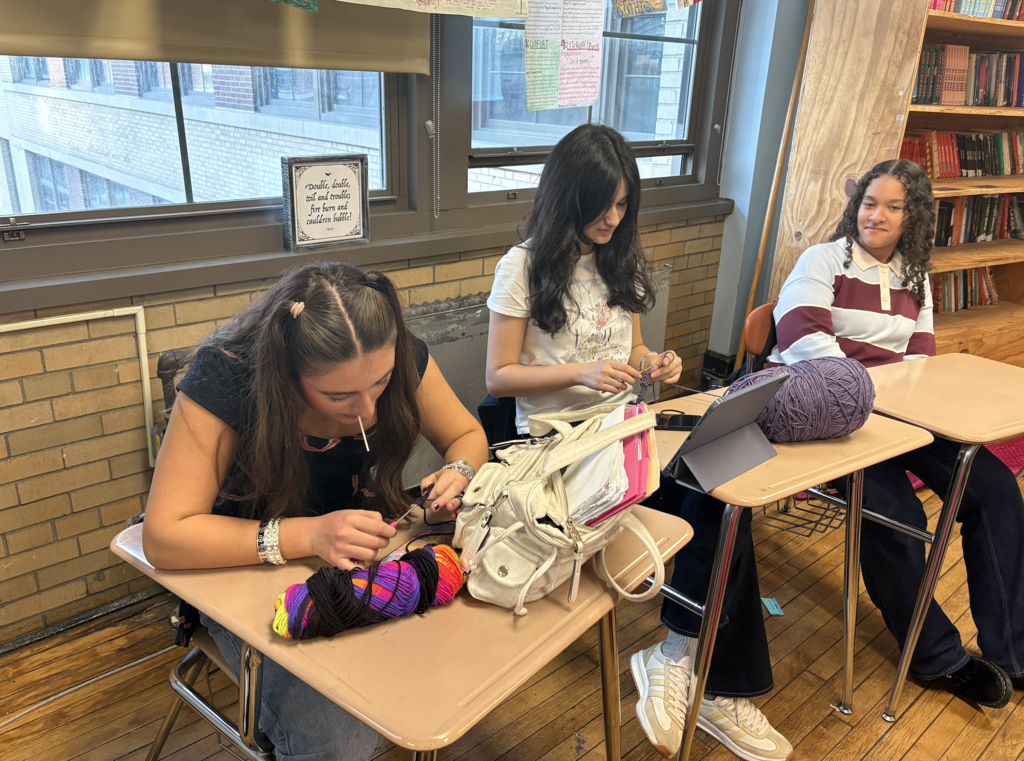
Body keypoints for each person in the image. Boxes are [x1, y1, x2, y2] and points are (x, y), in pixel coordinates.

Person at [485, 124, 792, 761]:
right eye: (601, 203)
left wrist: (660, 363)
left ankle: (685, 658)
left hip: (622, 431)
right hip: (555, 448)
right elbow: (498, 377)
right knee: (713, 503)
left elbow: (634, 351)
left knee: (723, 483)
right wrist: (580, 373)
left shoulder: (620, 261)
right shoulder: (522, 265)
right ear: (565, 195)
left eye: (623, 204)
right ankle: (691, 664)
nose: (612, 217)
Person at [143, 261, 488, 761]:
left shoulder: (398, 355)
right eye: (337, 395)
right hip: (235, 572)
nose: (368, 410)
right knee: (338, 741)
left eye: (382, 383)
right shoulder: (226, 380)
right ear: (286, 370)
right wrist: (308, 536)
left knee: (449, 672)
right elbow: (166, 537)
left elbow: (466, 436)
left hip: (356, 562)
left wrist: (460, 469)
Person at [768, 158, 1024, 707]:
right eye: (868, 203)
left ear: (913, 217)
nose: (875, 216)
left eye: (892, 206)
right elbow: (801, 338)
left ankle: (1012, 651)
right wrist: (869, 395)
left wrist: (905, 405)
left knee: (997, 492)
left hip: (897, 411)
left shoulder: (915, 274)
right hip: (825, 407)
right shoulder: (823, 259)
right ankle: (937, 658)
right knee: (895, 515)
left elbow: (921, 359)